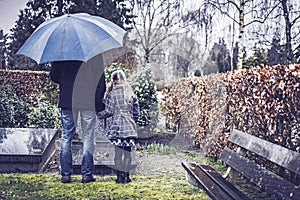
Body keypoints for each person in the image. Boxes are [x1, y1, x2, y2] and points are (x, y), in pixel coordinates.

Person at [50, 55, 106, 184]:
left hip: (67, 99)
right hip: (88, 100)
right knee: (88, 137)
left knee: (66, 137)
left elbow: (54, 75)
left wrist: (66, 81)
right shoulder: (94, 52)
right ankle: (86, 175)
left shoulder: (62, 52)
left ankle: (65, 175)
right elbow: (100, 81)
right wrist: (98, 103)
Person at [98, 69, 139, 184]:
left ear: (113, 81)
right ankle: (127, 177)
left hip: (117, 129)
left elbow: (109, 111)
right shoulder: (130, 93)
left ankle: (119, 178)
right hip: (129, 128)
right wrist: (132, 122)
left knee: (118, 154)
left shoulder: (112, 94)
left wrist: (99, 115)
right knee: (127, 153)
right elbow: (136, 112)